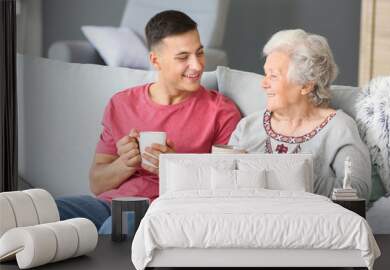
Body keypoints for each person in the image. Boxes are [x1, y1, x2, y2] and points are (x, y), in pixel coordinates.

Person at [56, 10, 241, 231]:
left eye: (199, 53)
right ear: (156, 60)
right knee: (45, 210)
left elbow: (228, 189)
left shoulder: (221, 111)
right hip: (108, 204)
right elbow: (97, 184)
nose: (198, 65)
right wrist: (124, 163)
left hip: (161, 210)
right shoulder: (121, 103)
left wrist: (174, 168)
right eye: (183, 57)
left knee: (115, 228)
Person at [229, 29, 371, 199]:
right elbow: (225, 184)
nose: (263, 83)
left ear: (306, 86)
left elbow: (358, 189)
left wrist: (289, 179)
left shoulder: (338, 129)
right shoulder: (248, 126)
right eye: (265, 73)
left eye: (273, 76)